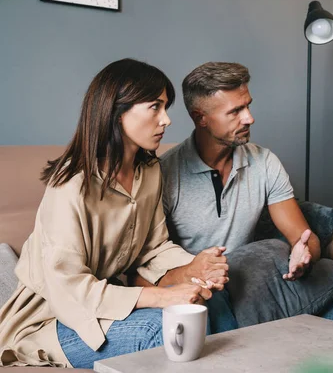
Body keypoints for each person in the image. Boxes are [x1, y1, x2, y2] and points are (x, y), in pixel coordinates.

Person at [0, 59, 235, 369]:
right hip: (53, 319)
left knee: (211, 303)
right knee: (161, 329)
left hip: (110, 305)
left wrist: (195, 266)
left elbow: (155, 248)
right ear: (116, 111)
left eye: (166, 108)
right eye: (155, 107)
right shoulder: (71, 185)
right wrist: (159, 297)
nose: (165, 120)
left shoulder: (149, 171)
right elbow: (68, 286)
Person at [132, 61, 333, 322]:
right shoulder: (164, 175)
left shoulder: (264, 162)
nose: (249, 118)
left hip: (252, 282)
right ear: (201, 118)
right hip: (203, 288)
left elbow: (302, 237)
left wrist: (305, 254)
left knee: (327, 273)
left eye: (248, 105)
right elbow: (145, 267)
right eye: (235, 111)